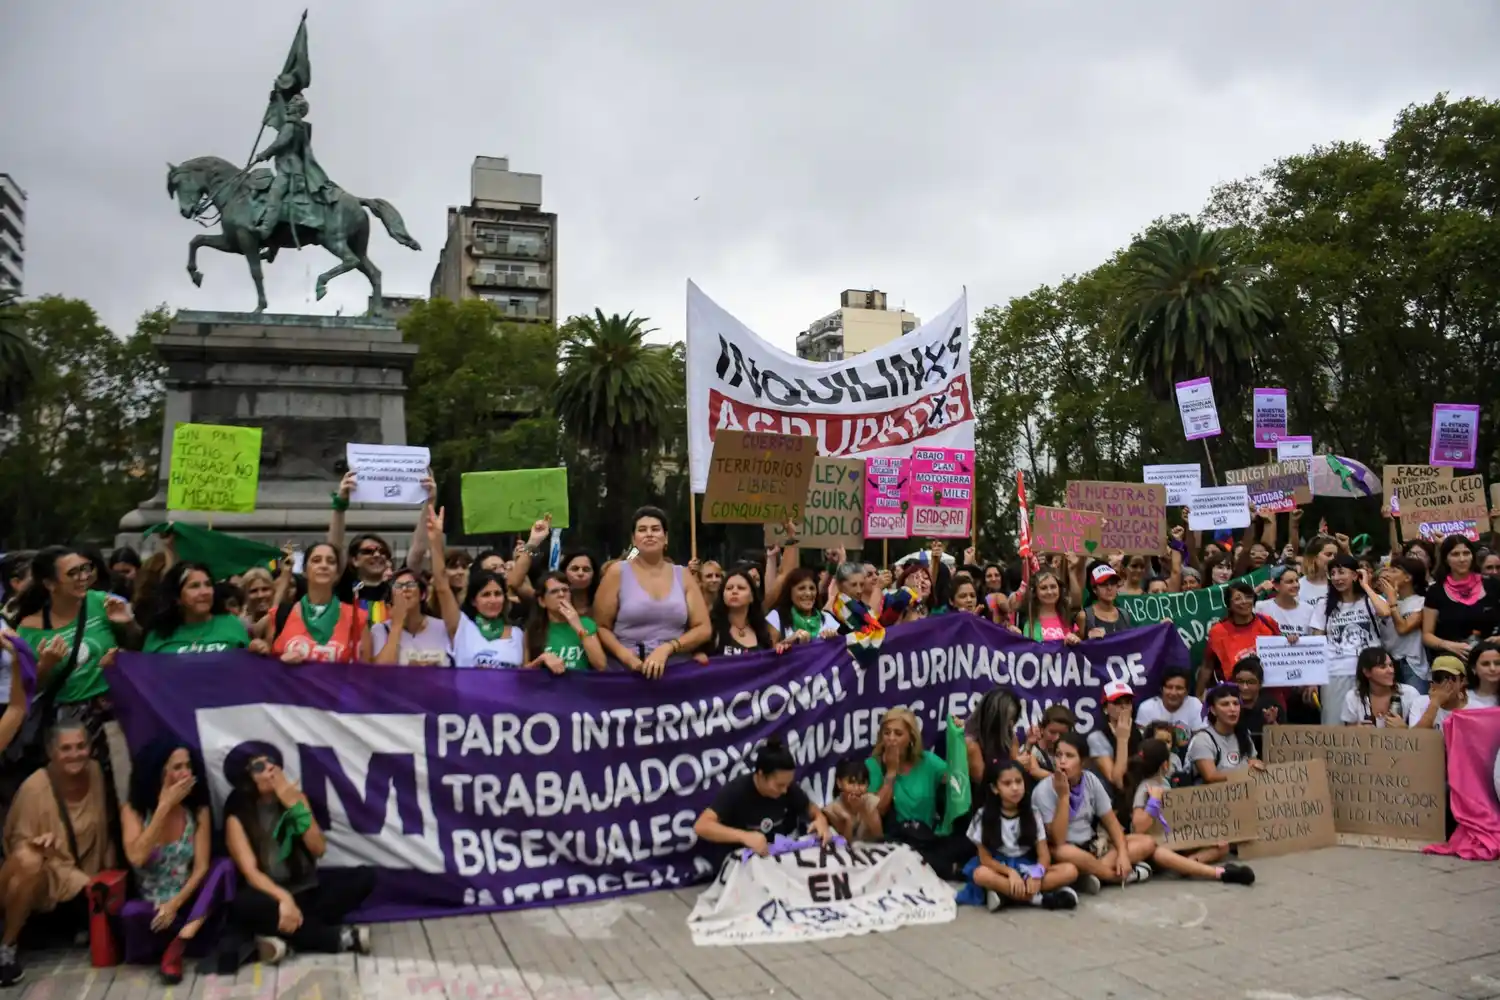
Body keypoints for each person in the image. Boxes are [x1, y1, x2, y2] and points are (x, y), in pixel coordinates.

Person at [224, 747, 373, 963]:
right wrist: (284, 899)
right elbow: (251, 873)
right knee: (244, 903)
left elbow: (318, 848)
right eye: (259, 766)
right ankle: (338, 938)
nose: (270, 768)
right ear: (247, 778)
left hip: (305, 890)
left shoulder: (296, 799)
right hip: (271, 896)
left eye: (271, 762)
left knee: (365, 878)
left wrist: (294, 806)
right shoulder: (237, 817)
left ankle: (281, 936)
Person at [0, 722, 117, 986]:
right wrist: (39, 846)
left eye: (80, 746)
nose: (75, 754)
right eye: (66, 749)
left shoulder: (96, 773)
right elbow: (17, 854)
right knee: (29, 861)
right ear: (52, 752)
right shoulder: (34, 790)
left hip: (85, 881)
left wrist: (112, 878)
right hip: (47, 881)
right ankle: (6, 947)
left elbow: (106, 831)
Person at [11, 546, 138, 767]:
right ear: (50, 584)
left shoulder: (103, 602)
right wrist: (46, 665)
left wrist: (127, 625)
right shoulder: (30, 629)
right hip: (69, 726)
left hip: (115, 713)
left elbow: (138, 646)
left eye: (85, 569)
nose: (84, 577)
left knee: (119, 783)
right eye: (73, 573)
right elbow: (26, 690)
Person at [119, 741, 234, 983]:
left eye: (188, 766)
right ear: (158, 772)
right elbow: (137, 858)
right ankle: (172, 946)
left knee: (223, 866)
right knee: (131, 912)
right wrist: (164, 808)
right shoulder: (133, 811)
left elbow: (201, 868)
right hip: (155, 911)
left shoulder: (197, 810)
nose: (185, 774)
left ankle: (182, 941)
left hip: (190, 909)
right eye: (177, 768)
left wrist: (175, 904)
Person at [594, 507, 711, 678]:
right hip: (625, 671)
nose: (649, 534)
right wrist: (625, 656)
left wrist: (668, 648)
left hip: (676, 669)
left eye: (655, 529)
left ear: (666, 538)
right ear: (634, 539)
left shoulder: (683, 575)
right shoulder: (617, 572)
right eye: (642, 530)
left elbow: (703, 628)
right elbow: (601, 626)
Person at [1031, 733, 1155, 894]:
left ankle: (1091, 873)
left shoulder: (1090, 780)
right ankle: (1113, 876)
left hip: (1092, 847)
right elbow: (1057, 840)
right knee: (1065, 852)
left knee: (1147, 842)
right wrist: (1063, 797)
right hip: (1065, 851)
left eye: (1069, 756)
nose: (1062, 761)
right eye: (1058, 755)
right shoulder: (1044, 790)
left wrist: (1123, 855)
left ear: (1083, 762)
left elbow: (1111, 822)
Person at [1121, 739, 1255, 885]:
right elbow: (1139, 826)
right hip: (1150, 849)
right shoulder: (1145, 788)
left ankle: (1188, 864)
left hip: (1171, 841)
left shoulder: (1163, 783)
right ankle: (1219, 873)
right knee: (1159, 853)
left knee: (1222, 846)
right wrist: (1154, 801)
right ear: (1165, 765)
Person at [960, 760, 1079, 911]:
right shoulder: (982, 816)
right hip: (998, 868)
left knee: (1070, 870)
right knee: (980, 874)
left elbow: (1044, 856)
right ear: (995, 788)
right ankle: (1039, 899)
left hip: (1026, 867)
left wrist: (1036, 874)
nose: (1015, 788)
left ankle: (1006, 895)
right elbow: (985, 860)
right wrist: (1010, 873)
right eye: (1007, 783)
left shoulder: (1033, 813)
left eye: (1018, 781)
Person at [866, 707, 972, 878]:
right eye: (887, 733)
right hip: (894, 842)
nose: (891, 739)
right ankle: (958, 871)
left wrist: (957, 739)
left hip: (927, 837)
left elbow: (956, 778)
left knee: (970, 843)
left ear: (911, 738)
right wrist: (891, 773)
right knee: (907, 858)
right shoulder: (873, 765)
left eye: (898, 734)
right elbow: (878, 810)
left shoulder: (927, 762)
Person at [692, 738, 829, 864]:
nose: (784, 791)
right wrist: (744, 837)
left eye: (788, 785)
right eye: (779, 785)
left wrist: (821, 820)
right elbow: (701, 826)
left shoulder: (787, 788)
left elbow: (811, 809)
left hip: (775, 858)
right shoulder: (736, 791)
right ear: (761, 775)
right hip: (743, 863)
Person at [426, 508, 523, 669]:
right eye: (485, 595)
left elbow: (526, 675)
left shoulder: (518, 634)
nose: (493, 600)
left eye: (497, 594)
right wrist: (436, 542)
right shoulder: (461, 627)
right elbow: (442, 587)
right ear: (473, 600)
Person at [257, 542, 372, 664]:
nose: (324, 565)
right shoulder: (280, 615)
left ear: (337, 574)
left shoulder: (357, 617)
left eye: (331, 561)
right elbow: (267, 666)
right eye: (316, 560)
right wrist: (276, 660)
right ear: (305, 570)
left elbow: (365, 674)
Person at [1313, 555, 1391, 725]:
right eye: (1332, 573)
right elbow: (1316, 642)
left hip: (1371, 673)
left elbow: (1385, 612)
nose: (1336, 578)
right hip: (1335, 671)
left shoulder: (1370, 601)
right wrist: (1313, 677)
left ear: (1355, 575)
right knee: (1334, 723)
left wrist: (1366, 586)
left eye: (1341, 572)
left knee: (1371, 723)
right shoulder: (1323, 605)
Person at [141, 562, 254, 654]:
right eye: (194, 586)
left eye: (208, 584)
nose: (205, 592)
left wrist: (258, 649)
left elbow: (249, 668)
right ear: (177, 598)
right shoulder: (159, 633)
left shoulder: (231, 624)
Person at [1421, 535, 1500, 664]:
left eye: (1466, 553)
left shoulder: (1493, 585)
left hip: (1492, 662)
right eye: (1455, 554)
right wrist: (1448, 645)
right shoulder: (1436, 591)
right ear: (1446, 559)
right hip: (1454, 663)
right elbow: (1427, 635)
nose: (1462, 559)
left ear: (1473, 556)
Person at [1200, 581, 1281, 695]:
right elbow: (1207, 666)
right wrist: (1199, 695)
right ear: (1229, 604)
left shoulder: (1267, 622)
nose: (1244, 602)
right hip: (1235, 696)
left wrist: (1291, 640)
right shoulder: (1218, 631)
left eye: (1248, 597)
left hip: (1270, 692)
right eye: (1238, 598)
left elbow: (1282, 653)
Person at [508, 517, 600, 617]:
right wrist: (533, 542)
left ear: (594, 574)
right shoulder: (549, 599)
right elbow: (514, 583)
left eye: (586, 569)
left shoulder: (602, 602)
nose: (580, 573)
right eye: (575, 569)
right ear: (564, 572)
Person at [523, 572, 606, 673]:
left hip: (579, 685)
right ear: (542, 601)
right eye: (554, 592)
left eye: (565, 590)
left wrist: (578, 626)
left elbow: (601, 665)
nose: (561, 594)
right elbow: (524, 673)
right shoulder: (533, 630)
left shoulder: (586, 623)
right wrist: (541, 659)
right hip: (546, 687)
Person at [371, 567, 451, 666]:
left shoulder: (442, 627)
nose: (404, 589)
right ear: (391, 597)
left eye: (410, 584)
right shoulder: (380, 630)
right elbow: (381, 671)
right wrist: (397, 625)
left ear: (423, 595)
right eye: (398, 586)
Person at [1187, 684, 1267, 783]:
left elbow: (1254, 762)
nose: (1232, 709)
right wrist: (1246, 771)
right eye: (1225, 704)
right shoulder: (1203, 739)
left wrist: (1257, 765)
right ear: (1213, 710)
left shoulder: (1244, 735)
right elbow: (1210, 776)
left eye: (1236, 703)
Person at [699, 568, 777, 657]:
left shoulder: (762, 630)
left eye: (741, 588)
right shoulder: (712, 629)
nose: (734, 591)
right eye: (729, 588)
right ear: (722, 595)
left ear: (752, 596)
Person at [1378, 557, 1428, 692]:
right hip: (1389, 664)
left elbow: (1403, 628)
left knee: (1415, 708)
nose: (1388, 574)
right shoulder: (1382, 602)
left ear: (1407, 578)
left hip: (1411, 665)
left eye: (1393, 571)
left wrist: (1393, 603)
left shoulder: (1421, 602)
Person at [1134, 668, 1203, 756]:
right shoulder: (1147, 708)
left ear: (1187, 691)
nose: (1173, 693)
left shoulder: (1195, 704)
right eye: (1169, 687)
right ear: (1161, 689)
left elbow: (1200, 739)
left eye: (1179, 688)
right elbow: (1141, 743)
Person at [964, 687, 1027, 781]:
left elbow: (1017, 767)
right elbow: (982, 782)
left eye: (1013, 719)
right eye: (1009, 720)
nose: (1012, 725)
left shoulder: (1010, 736)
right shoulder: (971, 744)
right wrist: (1015, 764)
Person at [1087, 681, 1141, 789]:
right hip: (1111, 797)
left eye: (1128, 702)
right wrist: (1122, 739)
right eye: (1117, 702)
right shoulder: (1097, 737)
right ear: (1105, 708)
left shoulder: (1141, 732)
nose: (1123, 707)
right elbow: (1116, 781)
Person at [766, 567, 839, 643]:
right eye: (801, 588)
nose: (808, 593)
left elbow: (842, 650)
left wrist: (834, 640)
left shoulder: (827, 619)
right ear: (790, 592)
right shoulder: (777, 617)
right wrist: (790, 642)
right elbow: (770, 652)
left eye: (812, 588)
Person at [1012, 569, 1079, 644]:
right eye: (1043, 588)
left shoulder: (1067, 617)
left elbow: (1078, 648)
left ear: (1059, 589)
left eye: (1053, 587)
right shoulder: (1025, 619)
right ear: (1035, 592)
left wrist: (1075, 641)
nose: (1049, 592)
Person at [824, 758, 882, 843]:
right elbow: (845, 845)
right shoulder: (832, 810)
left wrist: (862, 809)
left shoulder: (870, 800)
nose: (857, 788)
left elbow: (879, 836)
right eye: (851, 783)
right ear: (839, 783)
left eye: (861, 783)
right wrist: (848, 820)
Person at [1231, 658, 1280, 752]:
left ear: (1260, 684)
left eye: (1251, 682)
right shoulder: (1226, 706)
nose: (1244, 687)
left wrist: (1272, 722)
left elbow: (1284, 744)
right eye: (1240, 682)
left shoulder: (1272, 705)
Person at [1255, 566, 1316, 641]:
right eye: (1290, 582)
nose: (1296, 585)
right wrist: (1258, 588)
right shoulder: (1261, 607)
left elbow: (1312, 640)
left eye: (1297, 580)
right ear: (1276, 585)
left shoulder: (1309, 609)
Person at [1077, 563, 1134, 638]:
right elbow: (1077, 645)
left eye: (1113, 583)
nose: (1109, 588)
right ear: (1094, 589)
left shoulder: (1125, 614)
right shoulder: (1084, 616)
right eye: (1104, 584)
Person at [1298, 532, 1340, 617]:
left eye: (1335, 555)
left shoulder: (1338, 584)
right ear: (1314, 557)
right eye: (1328, 554)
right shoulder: (1298, 585)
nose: (1333, 558)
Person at [1465, 639, 1500, 708]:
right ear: (1473, 668)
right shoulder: (1462, 698)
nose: (1492, 668)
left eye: (1497, 663)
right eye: (1485, 664)